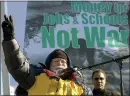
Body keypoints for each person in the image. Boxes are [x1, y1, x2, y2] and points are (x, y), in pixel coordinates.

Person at [1, 15, 92, 95]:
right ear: (48, 66)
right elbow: (17, 65)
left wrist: (80, 83)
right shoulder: (34, 79)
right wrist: (9, 39)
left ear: (68, 67)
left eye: (63, 62)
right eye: (56, 61)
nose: (60, 63)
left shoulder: (76, 85)